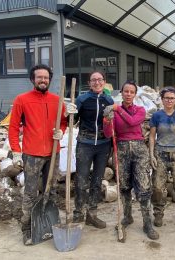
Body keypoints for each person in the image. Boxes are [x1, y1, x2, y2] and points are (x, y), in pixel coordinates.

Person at [9, 64, 77, 245]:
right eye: (39, 77)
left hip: (53, 153)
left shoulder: (57, 100)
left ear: (50, 80)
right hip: (32, 154)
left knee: (52, 190)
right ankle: (27, 229)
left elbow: (63, 122)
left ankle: (48, 223)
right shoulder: (22, 99)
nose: (43, 80)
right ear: (33, 79)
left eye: (46, 77)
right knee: (30, 193)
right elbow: (14, 127)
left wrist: (61, 131)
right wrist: (16, 150)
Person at [103, 80, 159, 240]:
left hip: (139, 149)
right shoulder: (115, 111)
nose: (128, 94)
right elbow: (108, 134)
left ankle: (147, 223)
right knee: (124, 186)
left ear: (135, 94)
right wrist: (107, 120)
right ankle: (127, 216)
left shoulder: (140, 110)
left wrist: (117, 110)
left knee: (143, 187)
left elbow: (133, 122)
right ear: (121, 93)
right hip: (121, 149)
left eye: (131, 92)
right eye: (125, 91)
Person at [72, 71, 114, 229]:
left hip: (104, 145)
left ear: (104, 82)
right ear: (89, 83)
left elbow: (111, 122)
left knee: (97, 180)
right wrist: (70, 113)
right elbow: (73, 120)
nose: (97, 82)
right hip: (85, 143)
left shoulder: (108, 99)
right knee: (81, 179)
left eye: (100, 80)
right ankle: (78, 213)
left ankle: (92, 214)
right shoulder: (82, 99)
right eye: (93, 80)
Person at [149, 87, 175, 228]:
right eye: (166, 98)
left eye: (172, 98)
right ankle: (158, 213)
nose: (169, 100)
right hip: (160, 153)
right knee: (158, 187)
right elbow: (152, 136)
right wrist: (151, 154)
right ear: (162, 99)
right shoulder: (157, 116)